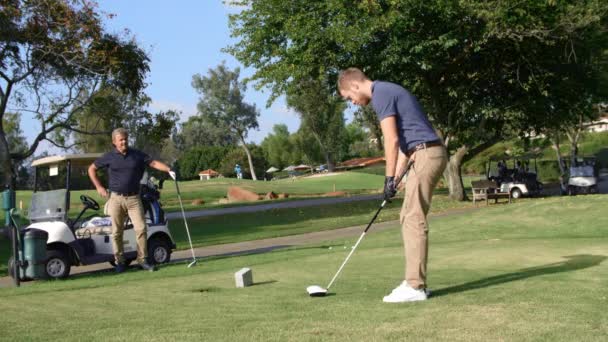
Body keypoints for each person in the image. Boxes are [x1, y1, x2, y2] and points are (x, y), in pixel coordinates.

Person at [338, 68, 447, 303]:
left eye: (349, 97)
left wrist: (387, 178)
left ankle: (415, 286)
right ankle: (415, 283)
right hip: (422, 153)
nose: (353, 103)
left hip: (426, 154)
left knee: (412, 217)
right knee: (407, 215)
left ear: (355, 86)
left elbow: (392, 139)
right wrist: (395, 180)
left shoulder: (381, 94)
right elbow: (405, 145)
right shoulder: (388, 91)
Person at [88, 128, 176, 273]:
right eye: (121, 140)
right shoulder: (109, 157)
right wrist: (99, 187)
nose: (124, 142)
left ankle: (143, 260)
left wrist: (168, 169)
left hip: (134, 198)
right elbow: (91, 169)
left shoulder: (137, 155)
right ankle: (120, 262)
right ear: (114, 142)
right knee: (117, 232)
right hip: (116, 198)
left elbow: (153, 163)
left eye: (125, 139)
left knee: (141, 228)